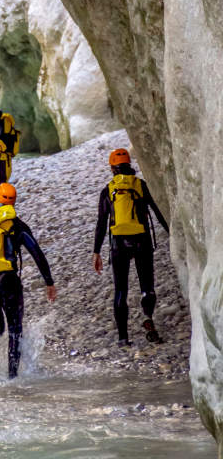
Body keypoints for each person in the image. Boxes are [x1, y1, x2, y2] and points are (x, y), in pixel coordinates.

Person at [0, 182, 56, 378]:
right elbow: (37, 254)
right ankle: (12, 377)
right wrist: (49, 282)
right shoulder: (18, 225)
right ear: (13, 202)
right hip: (8, 282)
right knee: (15, 329)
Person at [92, 148, 169, 346]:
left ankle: (123, 338)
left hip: (119, 243)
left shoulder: (108, 190)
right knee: (147, 286)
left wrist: (96, 251)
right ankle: (147, 317)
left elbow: (101, 224)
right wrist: (171, 233)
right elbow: (157, 211)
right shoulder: (140, 186)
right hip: (141, 240)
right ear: (129, 165)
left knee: (121, 290)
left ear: (112, 169)